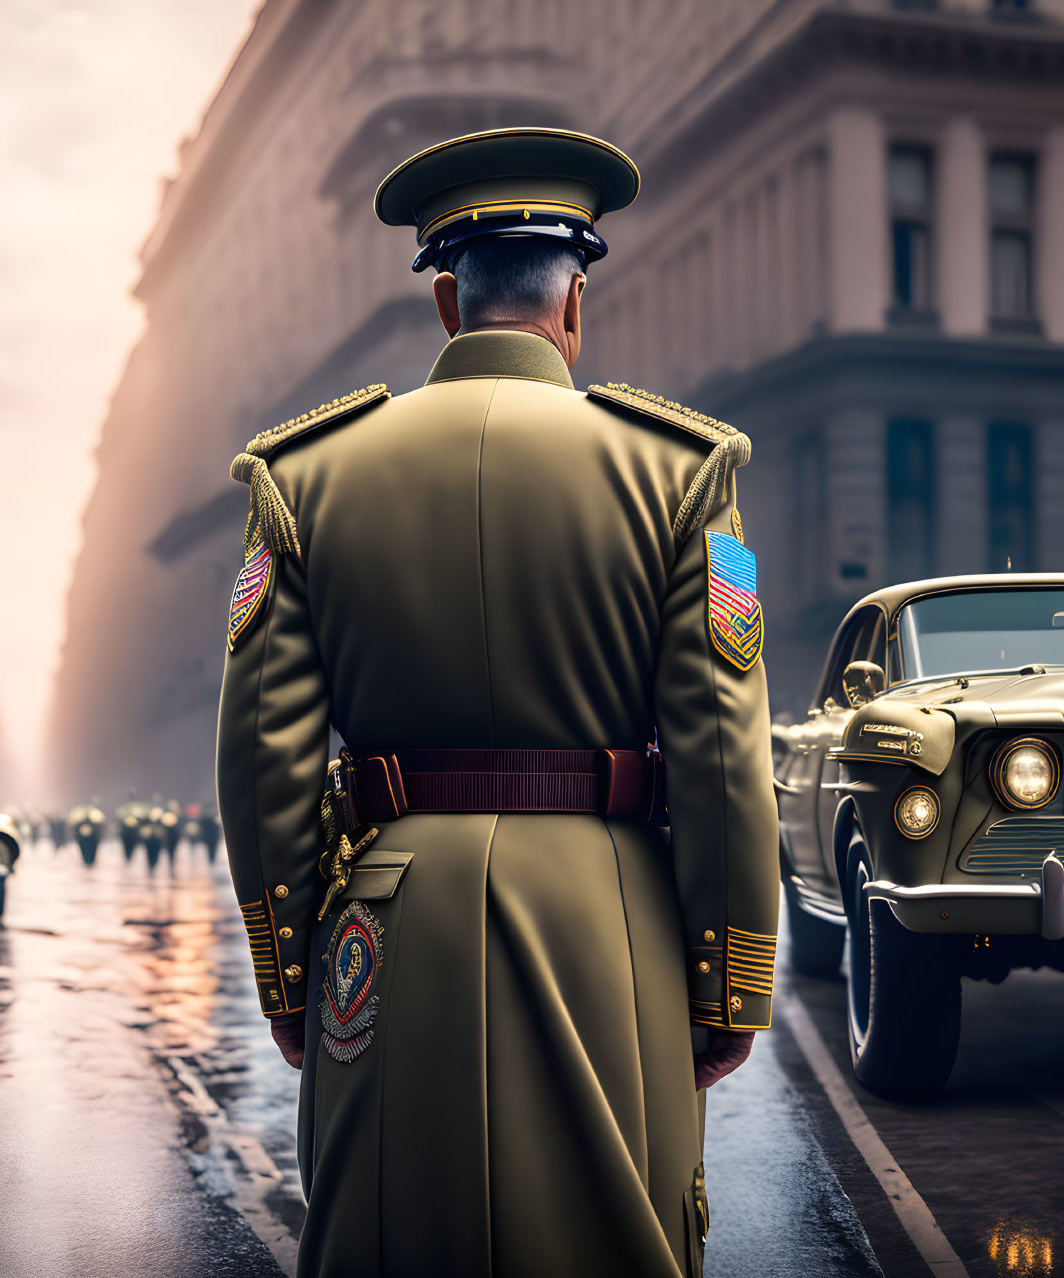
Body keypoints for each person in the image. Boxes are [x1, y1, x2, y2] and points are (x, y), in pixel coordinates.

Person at [217, 127, 778, 1278]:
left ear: (442, 301)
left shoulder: (304, 477)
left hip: (384, 929)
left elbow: (261, 763)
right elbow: (722, 757)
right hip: (608, 918)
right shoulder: (679, 471)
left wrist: (291, 982)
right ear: (573, 305)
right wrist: (725, 990)